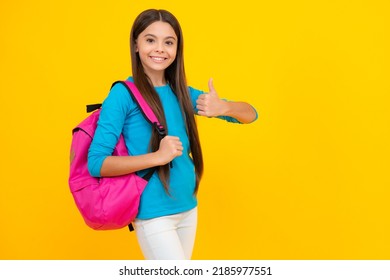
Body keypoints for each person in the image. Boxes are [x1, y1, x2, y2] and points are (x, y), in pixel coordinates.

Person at [88, 9, 258, 260]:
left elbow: (252, 115)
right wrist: (157, 157)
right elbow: (97, 163)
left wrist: (225, 107)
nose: (160, 49)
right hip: (154, 214)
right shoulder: (122, 95)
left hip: (188, 207)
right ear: (136, 44)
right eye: (150, 40)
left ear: (177, 48)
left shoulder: (183, 93)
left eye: (169, 42)